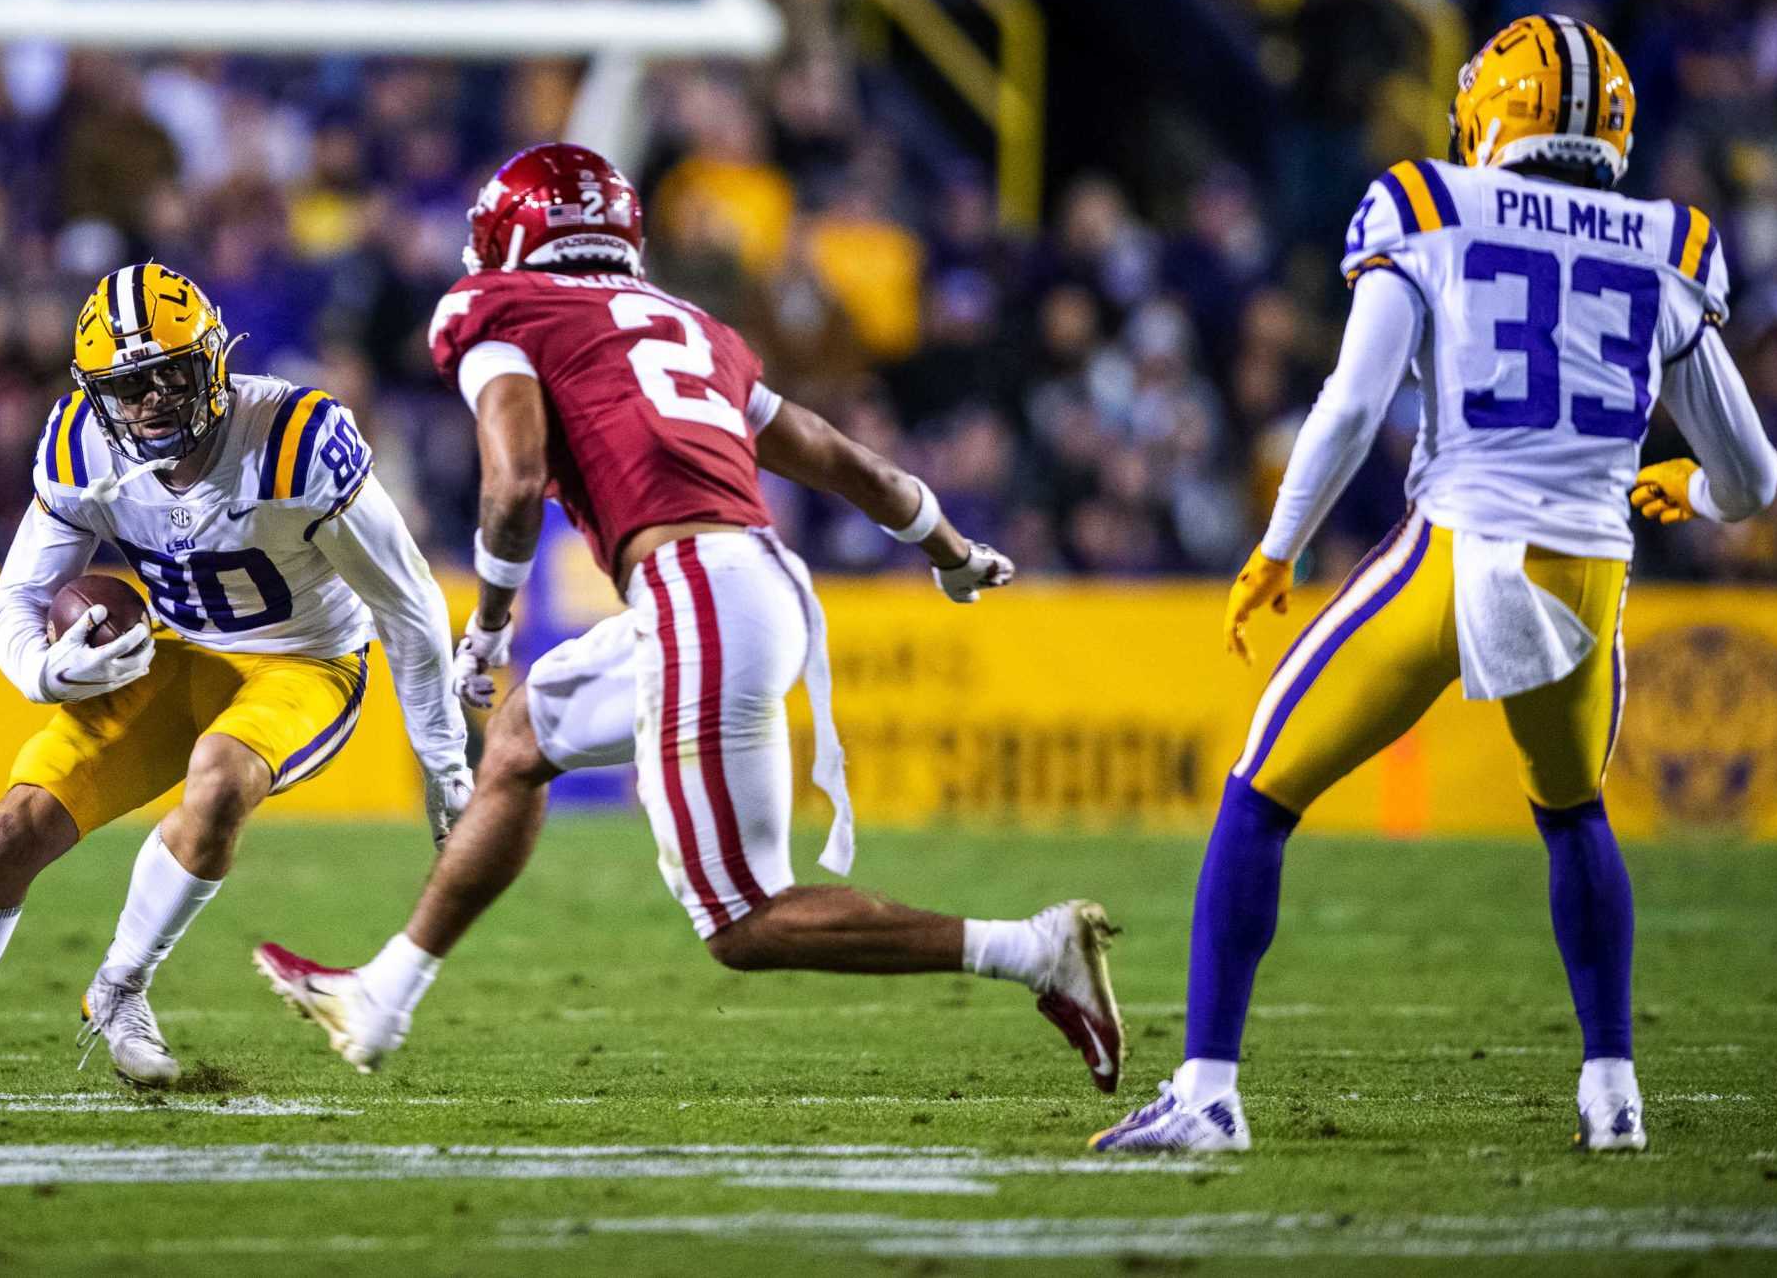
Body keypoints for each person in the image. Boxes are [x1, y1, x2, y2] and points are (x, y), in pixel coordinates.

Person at [255, 144, 1126, 1092]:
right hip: (742, 580)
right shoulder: (692, 325)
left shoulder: (496, 309)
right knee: (517, 742)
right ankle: (383, 994)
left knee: (744, 920)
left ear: (512, 235)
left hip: (697, 592)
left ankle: (1035, 949)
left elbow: (511, 484)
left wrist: (493, 623)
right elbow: (841, 459)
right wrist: (951, 550)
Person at [1091, 16, 1777, 1156]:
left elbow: (1354, 405)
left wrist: (1275, 548)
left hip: (1456, 547)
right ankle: (1613, 1098)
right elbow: (1752, 477)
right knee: (1572, 817)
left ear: (1488, 110)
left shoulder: (1430, 203)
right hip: (1589, 574)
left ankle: (1208, 1091)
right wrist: (1691, 498)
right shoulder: (1670, 240)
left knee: (1261, 794)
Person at [0, 263, 472, 1092]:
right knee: (14, 827)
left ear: (213, 362)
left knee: (219, 781)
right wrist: (45, 669)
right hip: (175, 649)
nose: (149, 400)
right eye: (129, 385)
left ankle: (119, 985)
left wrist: (443, 759)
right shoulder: (81, 440)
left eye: (169, 375)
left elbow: (410, 603)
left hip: (306, 660)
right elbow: (17, 599)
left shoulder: (294, 438)